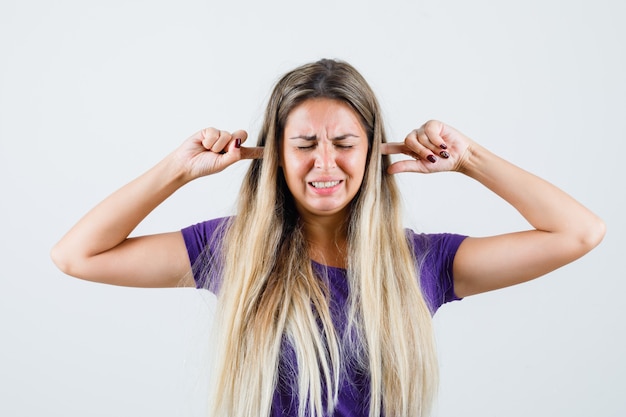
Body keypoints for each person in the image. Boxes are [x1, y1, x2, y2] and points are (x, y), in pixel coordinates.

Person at [50, 59, 605, 417]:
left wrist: (470, 159)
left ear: (373, 151)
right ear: (273, 155)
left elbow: (579, 232)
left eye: (343, 142)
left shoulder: (422, 263)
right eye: (304, 143)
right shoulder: (235, 250)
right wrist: (178, 167)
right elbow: (77, 255)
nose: (324, 162)